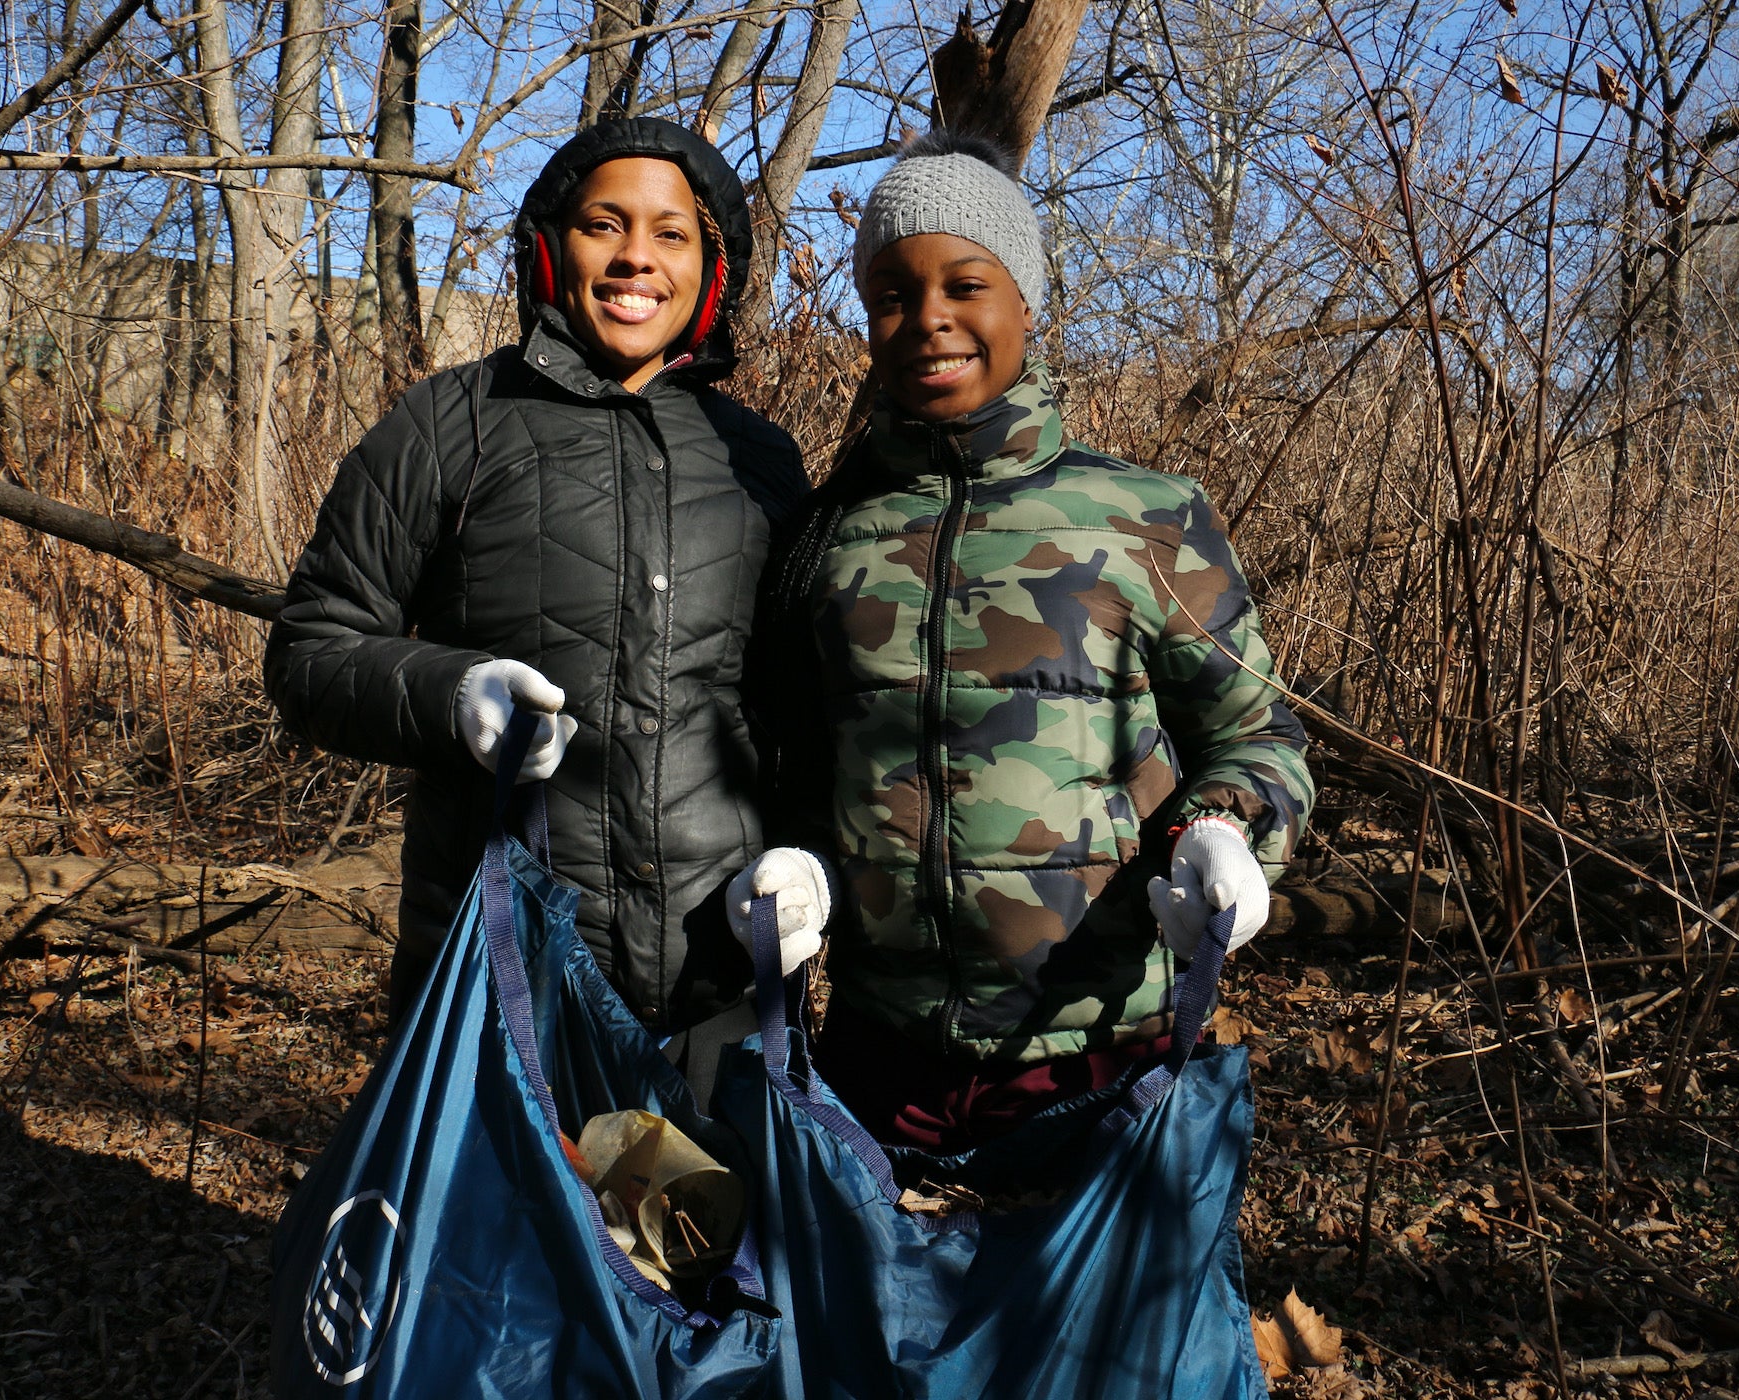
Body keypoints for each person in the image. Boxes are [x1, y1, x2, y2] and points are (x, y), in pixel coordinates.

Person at [732, 130, 1314, 1153]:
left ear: (1028, 302)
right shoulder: (829, 534)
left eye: (966, 284)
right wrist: (800, 864)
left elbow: (1257, 736)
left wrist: (1224, 831)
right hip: (879, 1056)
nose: (929, 322)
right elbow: (808, 765)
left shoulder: (1146, 515)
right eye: (892, 297)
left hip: (1101, 1056)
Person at [264, 119, 807, 1089]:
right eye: (606, 223)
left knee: (702, 1245)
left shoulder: (762, 461)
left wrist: (811, 861)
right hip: (496, 984)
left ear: (710, 268)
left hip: (718, 991)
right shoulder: (448, 423)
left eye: (671, 233)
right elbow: (311, 652)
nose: (636, 255)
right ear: (552, 245)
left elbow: (800, 707)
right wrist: (451, 692)